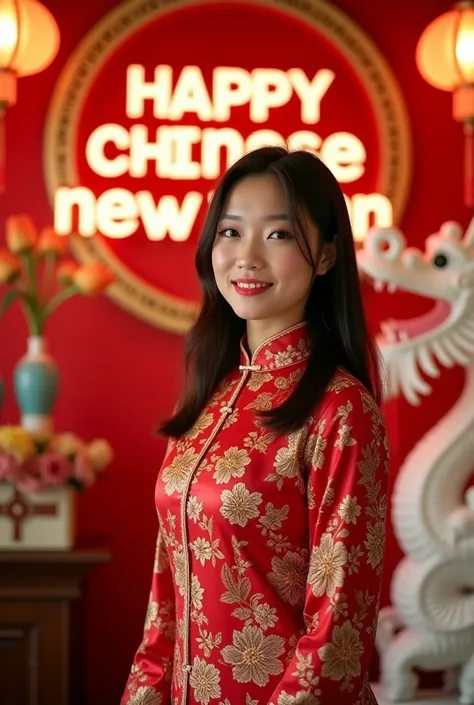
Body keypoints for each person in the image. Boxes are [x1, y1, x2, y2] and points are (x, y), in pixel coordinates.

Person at [121, 146, 389, 705]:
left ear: (326, 255)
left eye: (279, 235)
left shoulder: (342, 410)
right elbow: (164, 600)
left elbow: (338, 628)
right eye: (229, 232)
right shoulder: (211, 398)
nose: (246, 257)